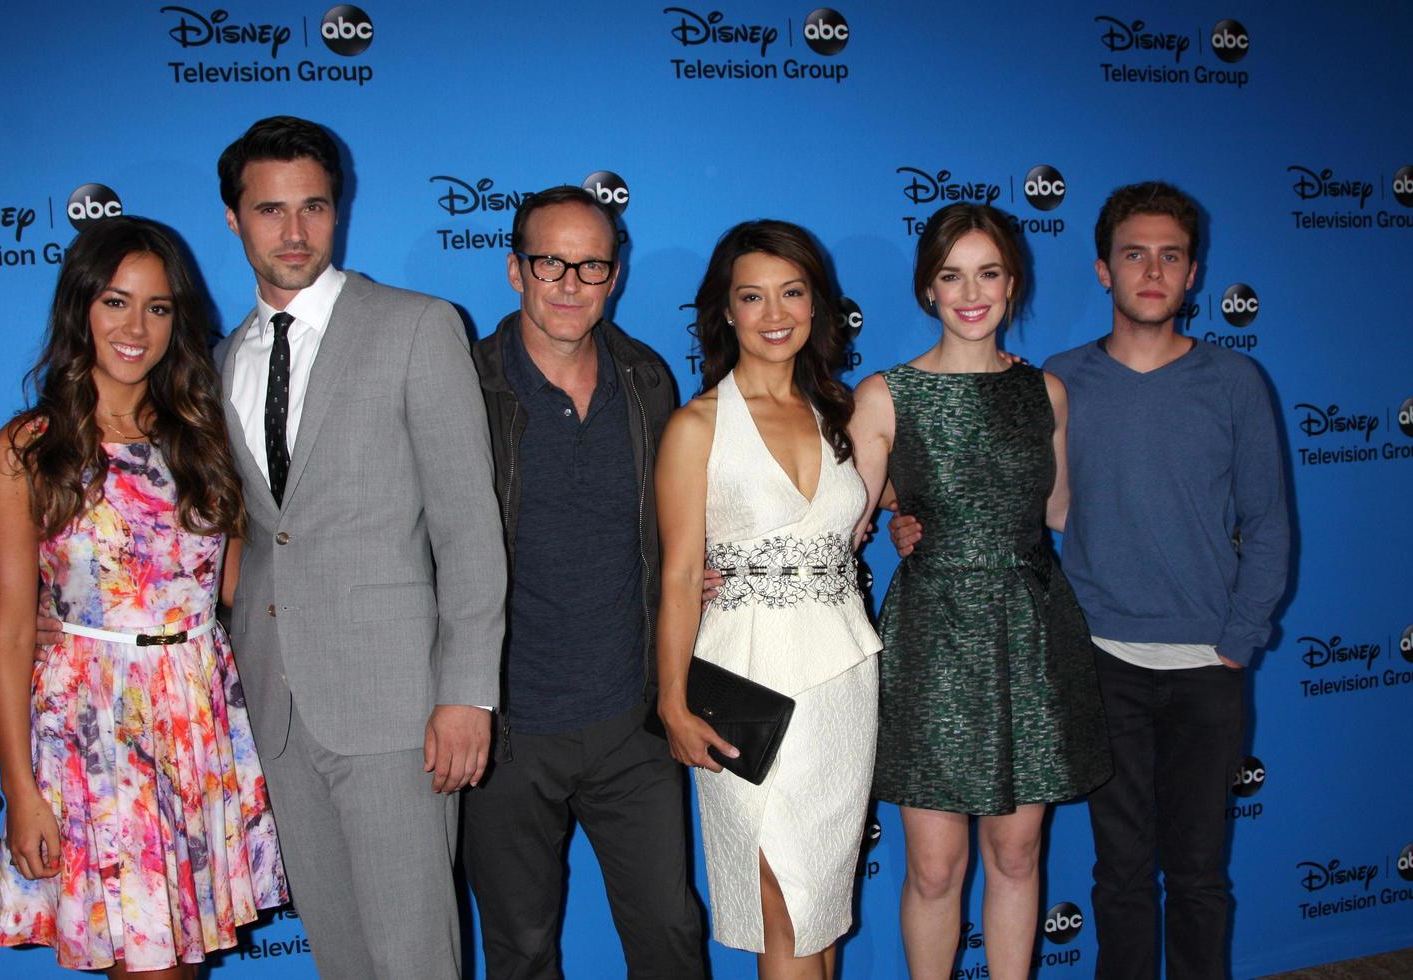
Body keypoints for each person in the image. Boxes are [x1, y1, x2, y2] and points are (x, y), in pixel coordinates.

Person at [892, 182, 1290, 978]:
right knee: (1120, 875)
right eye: (1133, 254)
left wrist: (1238, 643)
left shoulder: (1234, 382)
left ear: (1193, 272)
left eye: (1169, 256)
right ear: (1103, 271)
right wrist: (918, 519)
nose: (1152, 271)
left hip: (1207, 666)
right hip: (1097, 657)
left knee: (1202, 875)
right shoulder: (1057, 382)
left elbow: (1271, 523)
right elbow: (1018, 500)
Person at [214, 116, 505, 979]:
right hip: (276, 701)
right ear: (234, 219)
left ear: (338, 211)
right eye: (270, 211)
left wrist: (467, 695)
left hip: (397, 707)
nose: (294, 232)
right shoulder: (220, 357)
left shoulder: (417, 326)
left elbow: (469, 528)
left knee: (414, 958)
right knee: (341, 959)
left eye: (314, 207)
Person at [0, 216, 288, 977]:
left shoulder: (205, 435)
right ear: (80, 308)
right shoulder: (27, 449)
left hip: (198, 725)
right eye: (116, 302)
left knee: (176, 966)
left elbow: (235, 584)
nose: (136, 327)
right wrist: (21, 794)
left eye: (158, 308)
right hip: (96, 732)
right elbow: (14, 633)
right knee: (150, 968)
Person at [849, 203, 1110, 980]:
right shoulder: (885, 395)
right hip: (932, 638)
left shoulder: (1047, 394)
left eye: (988, 272)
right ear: (928, 288)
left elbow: (1059, 510)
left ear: (1012, 282)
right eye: (952, 274)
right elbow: (845, 523)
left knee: (1019, 853)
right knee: (934, 868)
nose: (972, 292)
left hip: (1031, 634)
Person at [462, 185, 705, 978]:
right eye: (550, 263)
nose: (570, 284)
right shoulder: (463, 387)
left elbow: (675, 531)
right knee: (522, 951)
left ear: (615, 275)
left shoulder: (646, 380)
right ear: (514, 269)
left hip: (630, 721)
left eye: (591, 265)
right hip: (506, 731)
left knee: (670, 934)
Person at [655, 220, 880, 980]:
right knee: (776, 895)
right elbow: (682, 575)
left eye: (792, 292)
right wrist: (672, 704)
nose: (774, 313)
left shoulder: (839, 413)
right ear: (725, 310)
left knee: (816, 904)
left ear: (817, 304)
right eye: (752, 297)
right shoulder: (696, 426)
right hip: (745, 685)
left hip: (842, 683)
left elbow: (858, 527)